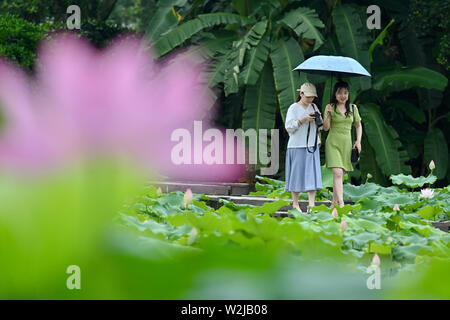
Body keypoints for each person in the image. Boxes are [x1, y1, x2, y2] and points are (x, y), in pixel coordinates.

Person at [323, 80, 363, 208]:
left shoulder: (353, 108)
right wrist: (327, 114)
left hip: (346, 144)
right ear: (335, 94)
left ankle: (333, 204)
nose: (342, 96)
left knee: (340, 175)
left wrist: (358, 141)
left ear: (348, 94)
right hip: (333, 143)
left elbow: (358, 125)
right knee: (338, 173)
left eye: (345, 93)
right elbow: (326, 128)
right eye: (339, 93)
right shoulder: (330, 107)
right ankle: (341, 204)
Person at [284, 82, 323, 213]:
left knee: (312, 174)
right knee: (296, 174)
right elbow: (289, 127)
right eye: (308, 97)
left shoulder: (314, 106)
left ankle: (311, 204)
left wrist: (320, 119)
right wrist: (303, 119)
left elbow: (321, 127)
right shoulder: (293, 108)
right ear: (301, 94)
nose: (310, 100)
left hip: (312, 146)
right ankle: (295, 204)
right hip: (297, 145)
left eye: (312, 97)